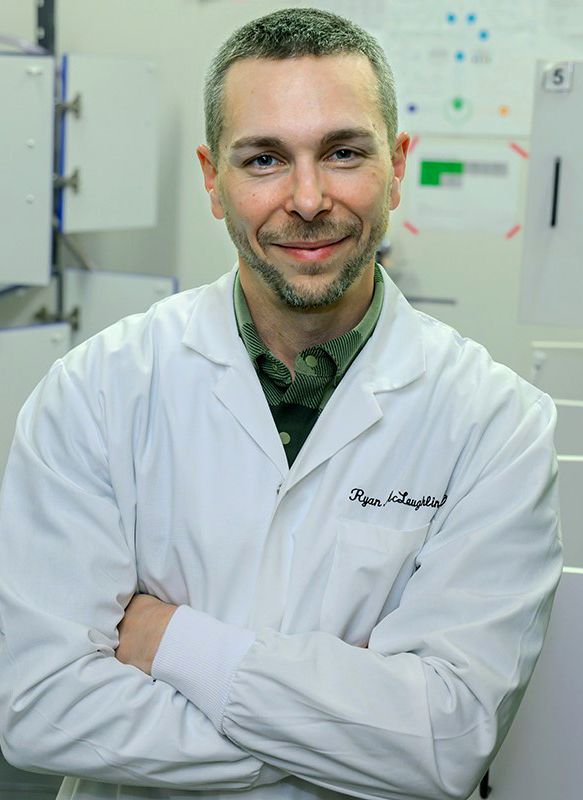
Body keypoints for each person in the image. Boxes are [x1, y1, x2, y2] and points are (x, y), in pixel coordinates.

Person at [0, 7, 562, 800]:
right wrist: (358, 736)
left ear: (398, 165)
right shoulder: (96, 390)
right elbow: (40, 708)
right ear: (211, 178)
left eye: (341, 152)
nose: (306, 198)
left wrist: (174, 642)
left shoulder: (495, 423)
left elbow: (448, 737)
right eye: (263, 159)